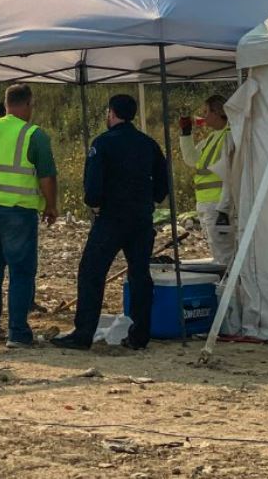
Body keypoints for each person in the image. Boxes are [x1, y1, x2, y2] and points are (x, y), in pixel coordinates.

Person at [52, 95, 169, 351]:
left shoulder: (103, 144)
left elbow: (92, 184)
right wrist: (150, 200)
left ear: (111, 113)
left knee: (92, 272)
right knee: (139, 275)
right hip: (140, 218)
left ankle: (83, 333)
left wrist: (94, 203)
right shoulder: (149, 144)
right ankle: (140, 336)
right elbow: (163, 182)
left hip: (112, 218)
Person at [0, 83, 58, 348]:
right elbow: (47, 176)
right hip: (17, 211)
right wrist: (50, 206)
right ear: (28, 104)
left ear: (6, 103)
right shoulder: (34, 134)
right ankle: (17, 332)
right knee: (21, 271)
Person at [179, 95, 235, 266]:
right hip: (206, 204)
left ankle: (228, 290)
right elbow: (191, 159)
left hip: (218, 205)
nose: (203, 116)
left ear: (217, 112)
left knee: (224, 255)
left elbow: (230, 175)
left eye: (206, 112)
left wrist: (224, 209)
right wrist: (186, 134)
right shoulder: (212, 138)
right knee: (218, 251)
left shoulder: (230, 136)